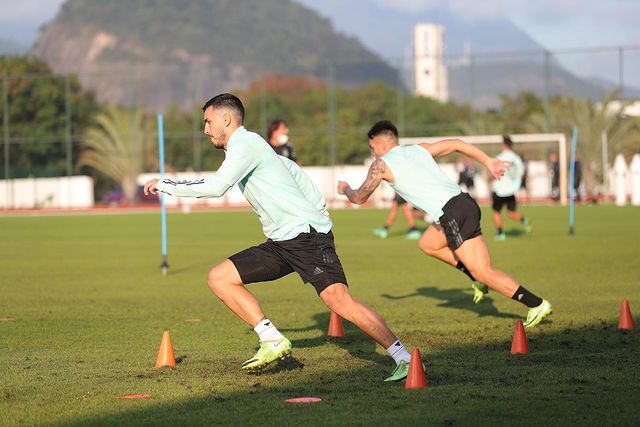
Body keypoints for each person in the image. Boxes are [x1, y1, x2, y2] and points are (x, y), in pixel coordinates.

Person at [144, 94, 414, 381]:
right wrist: (320, 213)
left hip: (304, 238)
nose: (206, 129)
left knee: (340, 302)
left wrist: (165, 184)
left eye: (209, 122)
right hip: (282, 242)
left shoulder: (245, 143)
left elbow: (217, 186)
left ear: (226, 119)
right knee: (220, 278)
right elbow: (295, 173)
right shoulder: (253, 147)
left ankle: (404, 358)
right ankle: (271, 339)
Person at [337, 120, 552, 328]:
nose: (372, 151)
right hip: (464, 203)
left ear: (382, 143)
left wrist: (345, 188)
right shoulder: (418, 149)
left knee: (484, 272)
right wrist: (488, 161)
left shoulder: (381, 165)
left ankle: (536, 304)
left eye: (372, 146)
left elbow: (359, 198)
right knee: (428, 244)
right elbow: (456, 144)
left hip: (452, 213)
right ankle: (475, 278)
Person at [490, 136, 532, 241]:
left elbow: (494, 173)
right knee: (511, 212)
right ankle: (524, 219)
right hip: (511, 190)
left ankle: (500, 234)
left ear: (503, 145)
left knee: (496, 212)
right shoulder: (516, 158)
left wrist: (488, 179)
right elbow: (522, 174)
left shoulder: (499, 157)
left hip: (499, 189)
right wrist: (515, 183)